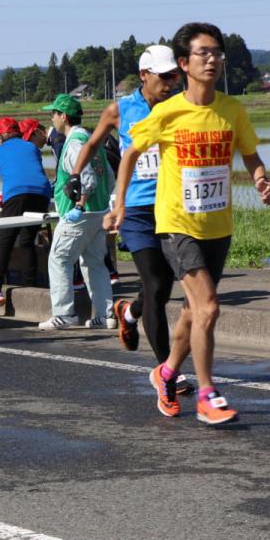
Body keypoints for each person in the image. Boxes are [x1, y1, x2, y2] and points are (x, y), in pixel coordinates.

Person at [105, 22, 270, 426]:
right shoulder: (168, 112)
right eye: (203, 53)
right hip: (177, 224)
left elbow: (249, 153)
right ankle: (206, 393)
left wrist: (260, 178)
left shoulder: (232, 110)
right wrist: (121, 204)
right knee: (210, 308)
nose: (213, 59)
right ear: (184, 63)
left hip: (217, 224)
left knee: (191, 312)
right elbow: (129, 154)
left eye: (217, 52)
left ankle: (164, 373)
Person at [73, 45, 188, 393]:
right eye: (163, 76)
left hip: (172, 208)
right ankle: (167, 369)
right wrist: (75, 174)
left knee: (162, 286)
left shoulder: (180, 107)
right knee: (155, 284)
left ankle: (129, 312)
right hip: (136, 209)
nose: (169, 83)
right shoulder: (120, 110)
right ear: (144, 76)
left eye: (173, 76)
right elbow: (93, 144)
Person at [39, 94, 114, 329]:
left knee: (59, 259)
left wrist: (79, 206)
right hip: (99, 211)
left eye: (53, 114)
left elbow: (87, 179)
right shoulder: (91, 139)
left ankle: (64, 314)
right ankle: (105, 315)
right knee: (94, 262)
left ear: (63, 116)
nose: (51, 119)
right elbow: (109, 177)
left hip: (80, 214)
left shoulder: (73, 144)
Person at [0, 117, 52, 314]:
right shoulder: (31, 148)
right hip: (42, 195)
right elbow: (33, 173)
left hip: (16, 195)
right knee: (28, 240)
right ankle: (30, 287)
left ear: (1, 136)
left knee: (5, 241)